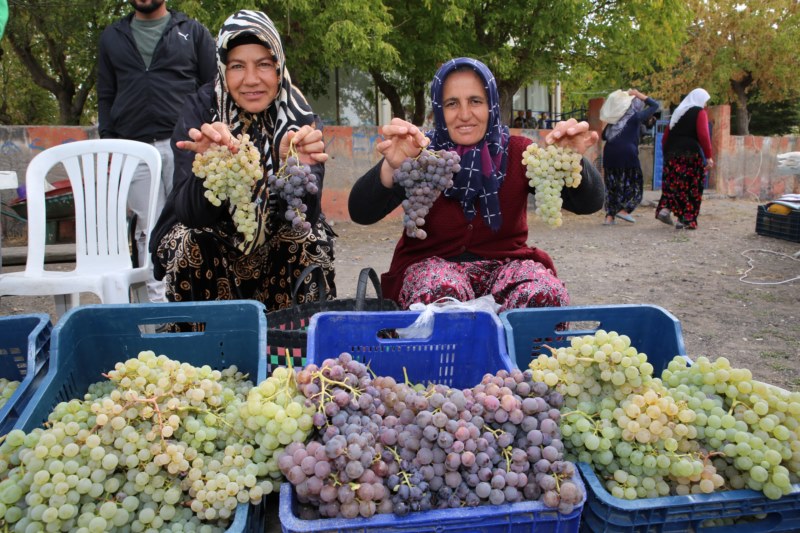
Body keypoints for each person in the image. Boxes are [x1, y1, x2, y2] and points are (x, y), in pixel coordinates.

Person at [348, 57, 603, 312]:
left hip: (507, 267)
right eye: (451, 104)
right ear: (438, 108)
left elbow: (589, 204)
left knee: (542, 294)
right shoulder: (421, 153)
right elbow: (361, 212)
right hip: (432, 267)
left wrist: (572, 160)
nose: (465, 114)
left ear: (491, 104)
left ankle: (526, 352)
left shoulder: (520, 152)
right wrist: (391, 166)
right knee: (440, 295)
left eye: (475, 101)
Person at [149, 9, 336, 310]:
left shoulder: (299, 118)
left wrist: (293, 169)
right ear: (222, 68)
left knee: (308, 240)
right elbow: (188, 213)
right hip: (212, 237)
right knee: (190, 240)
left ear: (279, 67)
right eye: (237, 66)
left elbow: (306, 217)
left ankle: (293, 347)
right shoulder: (200, 112)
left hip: (276, 243)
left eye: (264, 64)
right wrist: (211, 167)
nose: (251, 80)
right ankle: (200, 348)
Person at [97, 0, 216, 302]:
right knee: (147, 229)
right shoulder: (112, 37)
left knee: (191, 219)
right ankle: (157, 306)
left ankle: (194, 297)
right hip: (133, 149)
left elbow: (213, 87)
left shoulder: (193, 32)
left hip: (184, 146)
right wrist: (110, 145)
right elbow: (106, 96)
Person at [599, 88, 659, 225]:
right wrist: (638, 94)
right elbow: (655, 105)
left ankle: (610, 217)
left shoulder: (614, 120)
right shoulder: (635, 117)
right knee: (634, 183)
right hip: (627, 154)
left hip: (609, 154)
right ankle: (624, 211)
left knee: (612, 185)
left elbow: (604, 136)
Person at [655, 88, 713, 230]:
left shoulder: (678, 112)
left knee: (673, 183)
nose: (705, 105)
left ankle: (665, 209)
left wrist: (667, 154)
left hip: (671, 152)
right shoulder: (699, 112)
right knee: (691, 185)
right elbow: (703, 135)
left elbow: (666, 136)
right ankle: (686, 219)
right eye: (705, 101)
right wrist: (708, 156)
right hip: (689, 154)